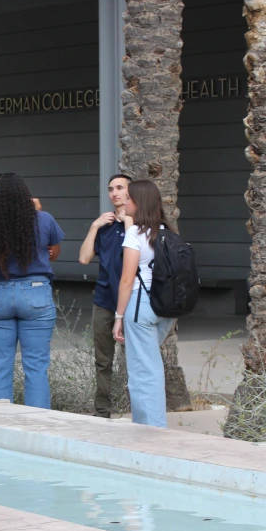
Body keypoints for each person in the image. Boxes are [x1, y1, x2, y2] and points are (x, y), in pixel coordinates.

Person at [0, 173, 65, 409]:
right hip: (35, 292)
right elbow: (54, 251)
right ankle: (37, 425)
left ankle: (0, 424)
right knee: (36, 366)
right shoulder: (44, 219)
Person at [113, 179, 176, 428]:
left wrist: (118, 316)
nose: (124, 201)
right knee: (149, 365)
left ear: (139, 202)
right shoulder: (167, 231)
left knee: (143, 371)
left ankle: (151, 430)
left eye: (129, 197)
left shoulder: (135, 233)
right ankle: (146, 425)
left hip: (141, 304)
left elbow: (127, 279)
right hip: (166, 305)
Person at [78, 174, 131, 418]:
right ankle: (102, 411)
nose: (114, 193)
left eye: (119, 188)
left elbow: (135, 254)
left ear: (130, 192)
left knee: (137, 360)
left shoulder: (140, 224)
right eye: (111, 189)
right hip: (104, 300)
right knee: (103, 360)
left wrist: (128, 222)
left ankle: (139, 411)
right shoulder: (104, 227)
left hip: (133, 301)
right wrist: (94, 226)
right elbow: (84, 258)